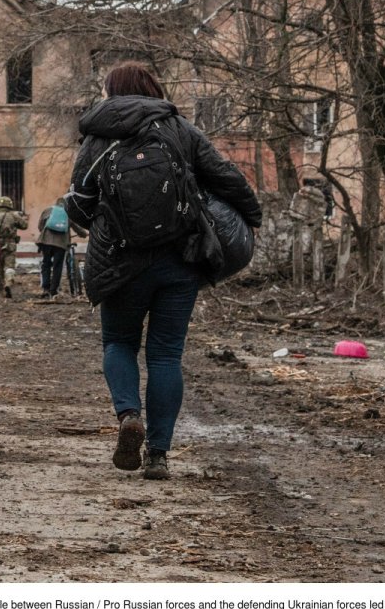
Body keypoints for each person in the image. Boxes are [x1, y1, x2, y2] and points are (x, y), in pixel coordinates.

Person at [64, 62, 261, 481]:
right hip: (179, 259)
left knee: (118, 342)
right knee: (166, 355)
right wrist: (251, 216)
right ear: (152, 88)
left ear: (111, 91)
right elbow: (224, 175)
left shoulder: (98, 135)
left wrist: (102, 217)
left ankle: (128, 415)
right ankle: (158, 455)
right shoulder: (178, 128)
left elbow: (80, 201)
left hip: (119, 261)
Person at [35, 202, 79, 298]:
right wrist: (83, 234)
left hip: (46, 241)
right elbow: (77, 228)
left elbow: (40, 226)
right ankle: (53, 290)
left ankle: (45, 288)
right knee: (57, 266)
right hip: (61, 244)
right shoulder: (69, 213)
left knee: (46, 264)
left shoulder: (48, 210)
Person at [0, 196, 28, 299]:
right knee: (9, 266)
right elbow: (25, 226)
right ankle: (8, 283)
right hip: (10, 244)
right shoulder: (13, 215)